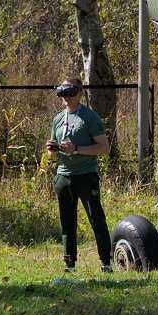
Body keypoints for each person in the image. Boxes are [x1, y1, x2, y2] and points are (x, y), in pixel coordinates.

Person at [45, 77, 113, 275]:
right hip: (63, 176)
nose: (67, 98)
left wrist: (76, 149)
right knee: (67, 222)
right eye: (64, 94)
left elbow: (104, 148)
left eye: (71, 94)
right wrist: (52, 149)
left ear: (80, 93)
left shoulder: (89, 117)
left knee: (96, 219)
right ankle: (69, 264)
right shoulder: (58, 119)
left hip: (85, 175)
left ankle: (106, 263)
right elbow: (51, 151)